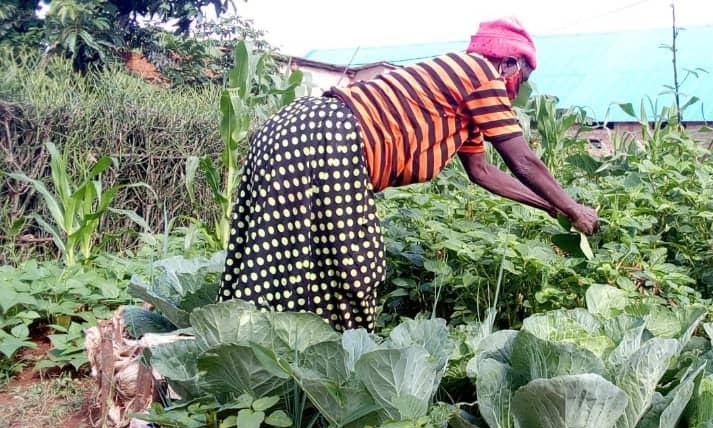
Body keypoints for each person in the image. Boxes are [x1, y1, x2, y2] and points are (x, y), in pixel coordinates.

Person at [218, 17, 599, 332]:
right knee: (356, 264)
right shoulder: (482, 75)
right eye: (523, 80)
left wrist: (552, 207)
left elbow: (483, 172)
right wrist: (575, 209)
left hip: (293, 129)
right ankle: (335, 361)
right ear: (509, 64)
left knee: (284, 251)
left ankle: (248, 341)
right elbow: (523, 161)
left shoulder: (460, 92)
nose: (517, 93)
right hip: (329, 138)